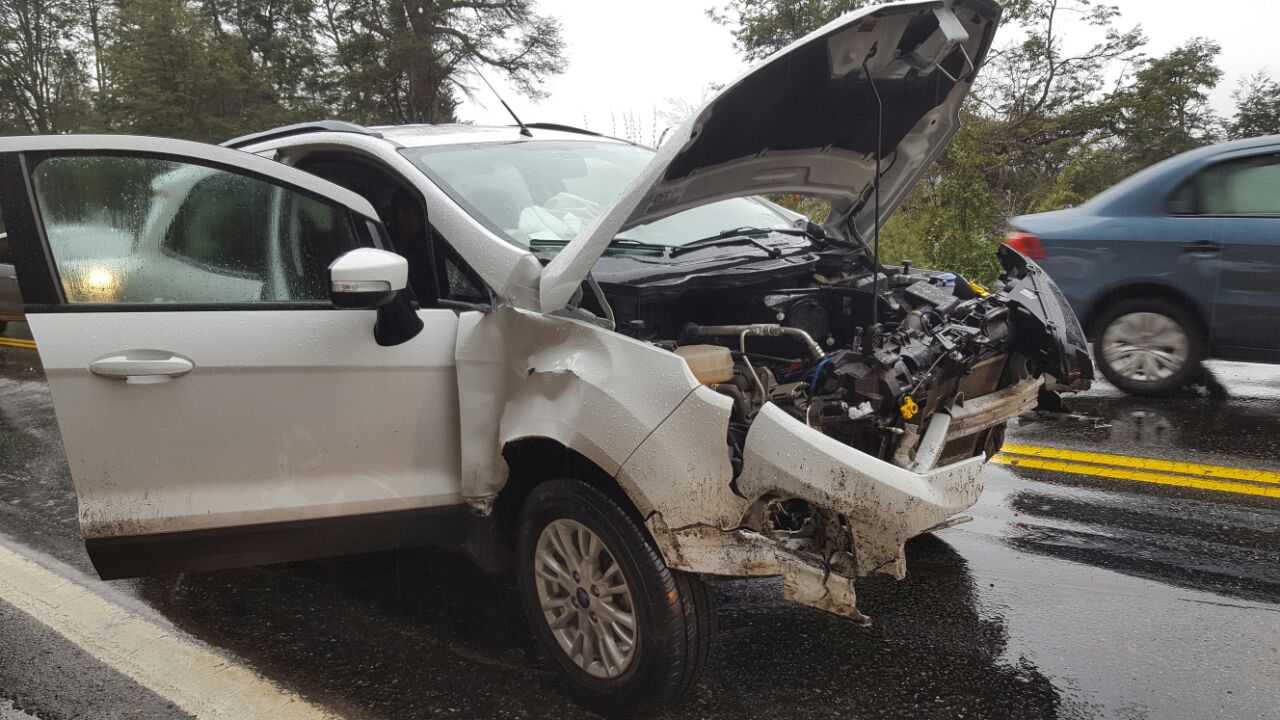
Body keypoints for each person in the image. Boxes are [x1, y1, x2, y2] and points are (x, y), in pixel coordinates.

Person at [379, 186, 437, 305]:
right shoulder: (392, 245)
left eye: (406, 212)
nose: (399, 217)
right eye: (396, 212)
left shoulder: (435, 246)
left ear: (422, 217)